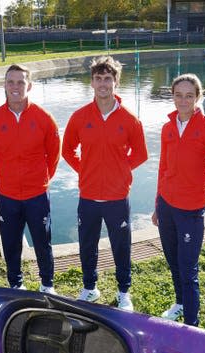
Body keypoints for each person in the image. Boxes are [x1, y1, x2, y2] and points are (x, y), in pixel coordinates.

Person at [62, 56, 148, 311]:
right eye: (98, 79)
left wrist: (119, 172)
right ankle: (90, 287)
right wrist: (85, 170)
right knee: (87, 244)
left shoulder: (130, 119)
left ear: (116, 82)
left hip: (116, 197)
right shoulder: (80, 117)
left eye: (107, 79)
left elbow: (141, 154)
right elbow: (67, 150)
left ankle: (123, 292)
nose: (102, 84)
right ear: (91, 82)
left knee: (121, 246)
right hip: (88, 196)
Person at [151, 73, 205, 325]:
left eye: (189, 96)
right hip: (166, 206)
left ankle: (192, 324)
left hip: (191, 210)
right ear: (172, 96)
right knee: (173, 261)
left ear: (198, 97)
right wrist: (157, 205)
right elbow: (163, 168)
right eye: (178, 95)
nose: (183, 101)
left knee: (188, 269)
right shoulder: (167, 127)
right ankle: (180, 303)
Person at [0, 64, 61, 294]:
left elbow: (54, 155)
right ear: (5, 85)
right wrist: (9, 176)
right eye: (11, 82)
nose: (16, 86)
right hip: (8, 196)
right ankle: (16, 284)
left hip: (37, 194)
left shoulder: (44, 118)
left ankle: (47, 284)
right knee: (10, 244)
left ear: (29, 85)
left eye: (21, 82)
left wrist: (40, 180)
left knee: (42, 242)